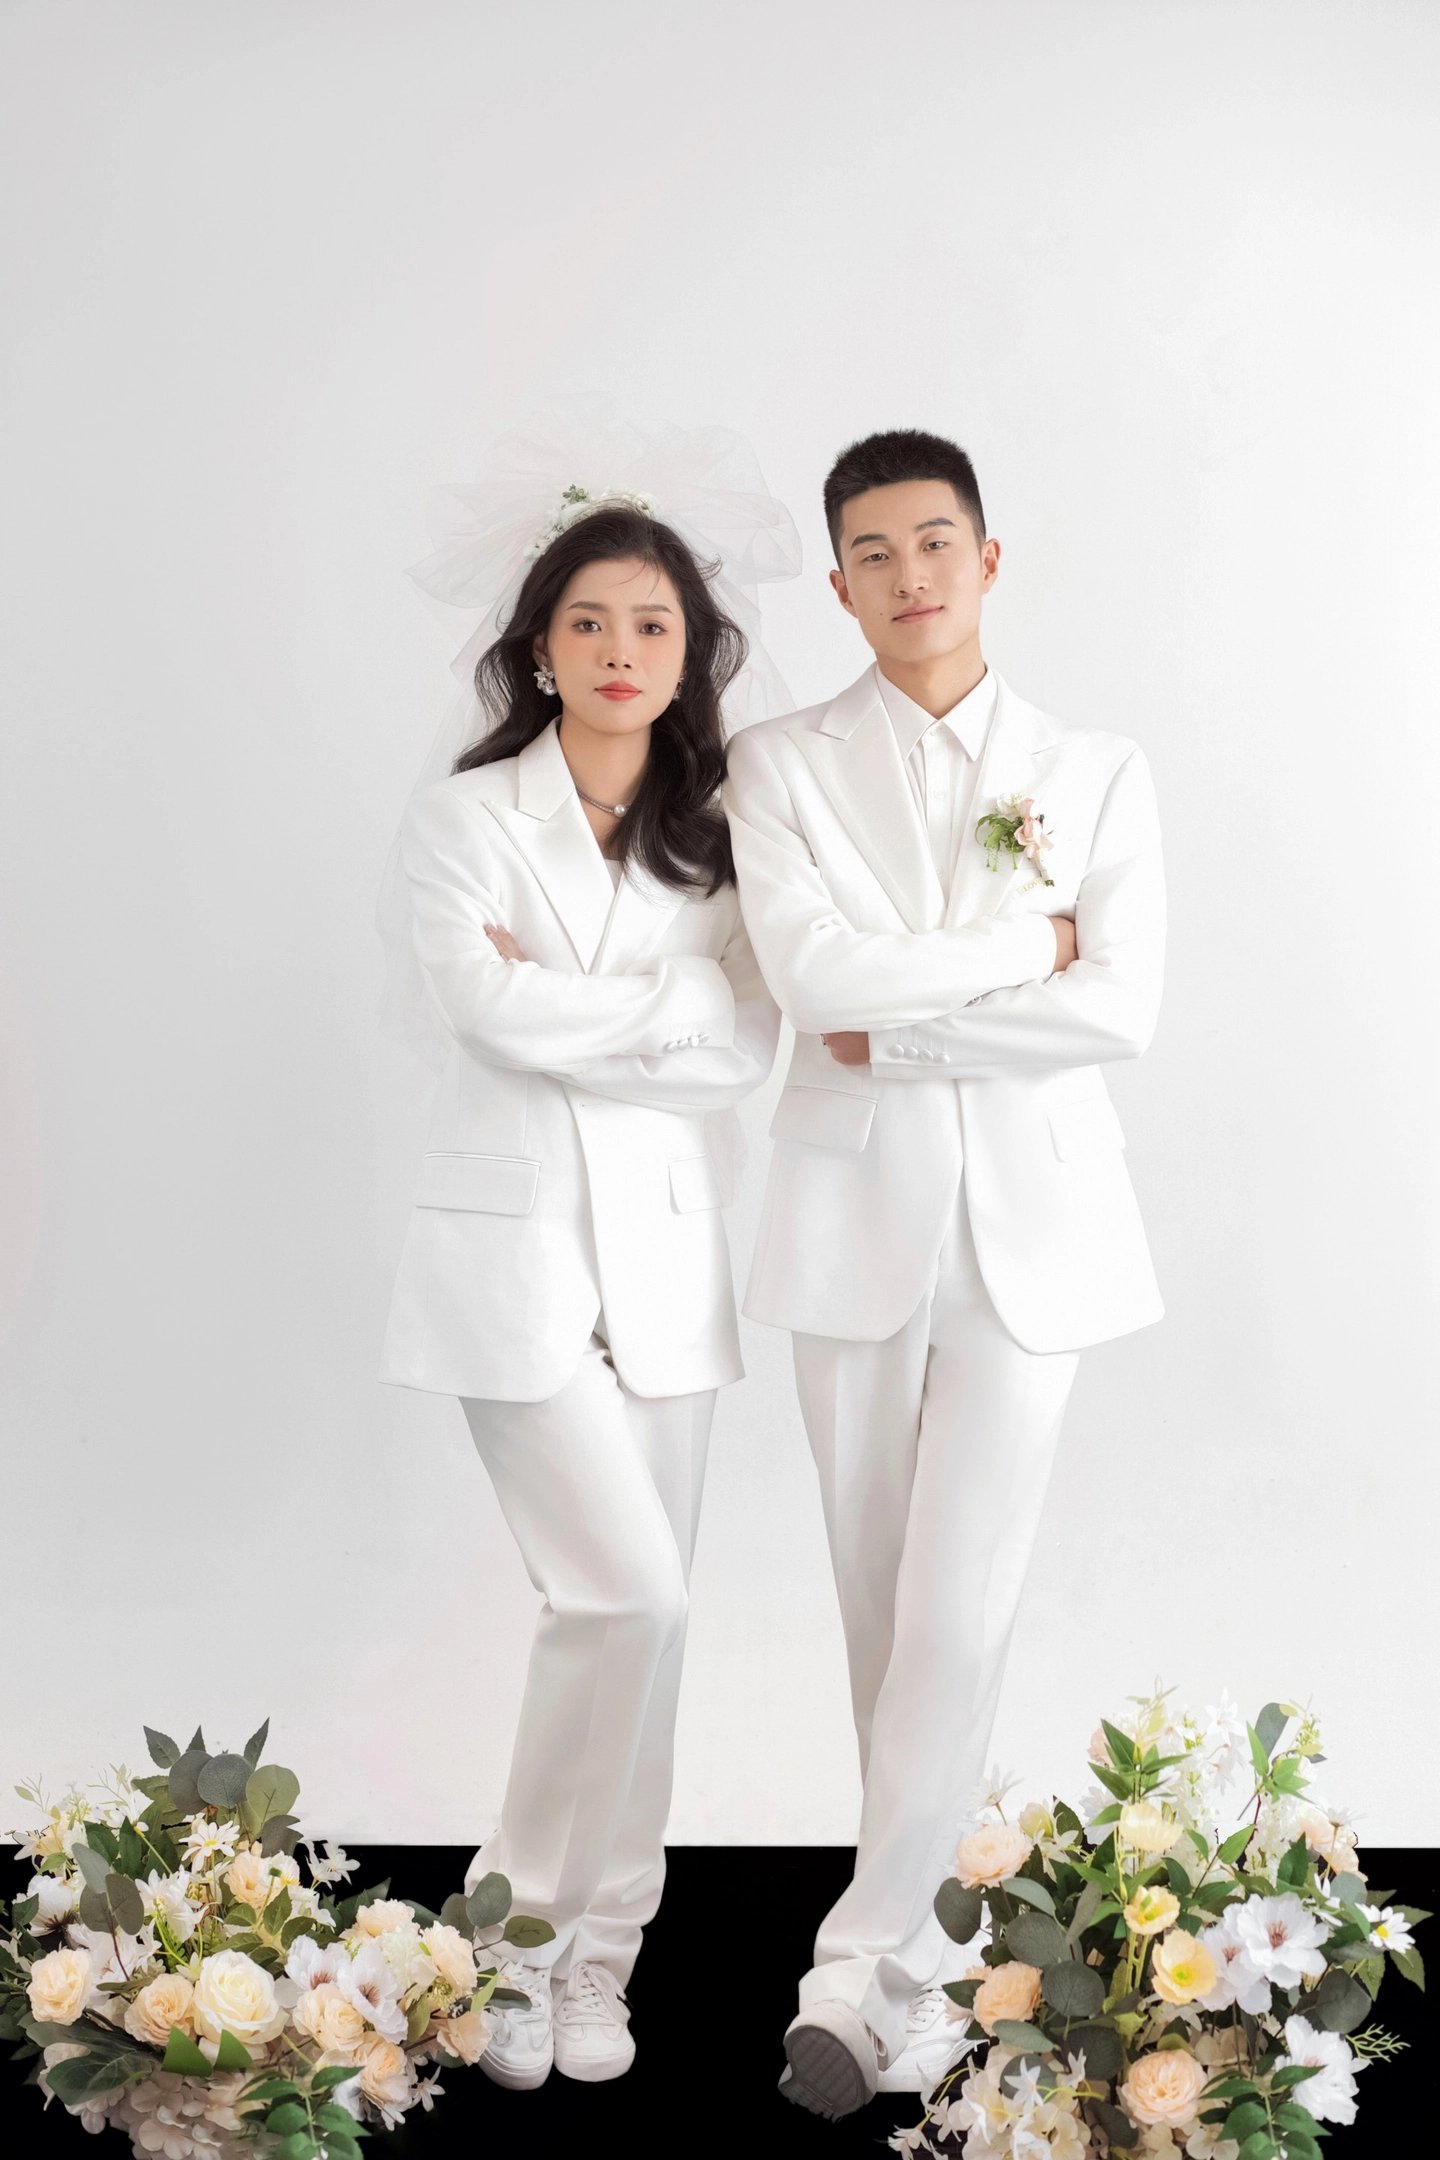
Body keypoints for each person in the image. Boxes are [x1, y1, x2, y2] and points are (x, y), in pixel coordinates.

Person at [723, 428, 1166, 2118]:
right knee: (881, 1606)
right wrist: (1017, 948)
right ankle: (930, 1958)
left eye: (935, 542)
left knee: (959, 1601)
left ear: (988, 559)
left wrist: (902, 1026)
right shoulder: (778, 765)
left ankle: (859, 1971)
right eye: (873, 553)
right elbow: (810, 978)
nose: (909, 576)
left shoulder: (1096, 769)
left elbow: (1118, 1007)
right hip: (851, 1220)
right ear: (839, 586)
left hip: (1035, 1233)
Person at [380, 493, 781, 2089]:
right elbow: (485, 1015)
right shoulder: (467, 819)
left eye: (654, 625)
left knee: (647, 1635)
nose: (623, 649)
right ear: (541, 650)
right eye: (591, 622)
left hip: (670, 1263)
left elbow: (747, 1047)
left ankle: (599, 1958)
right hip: (515, 1262)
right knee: (627, 1596)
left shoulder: (722, 836)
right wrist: (669, 1004)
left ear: (691, 659)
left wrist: (591, 1003)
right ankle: (511, 1940)